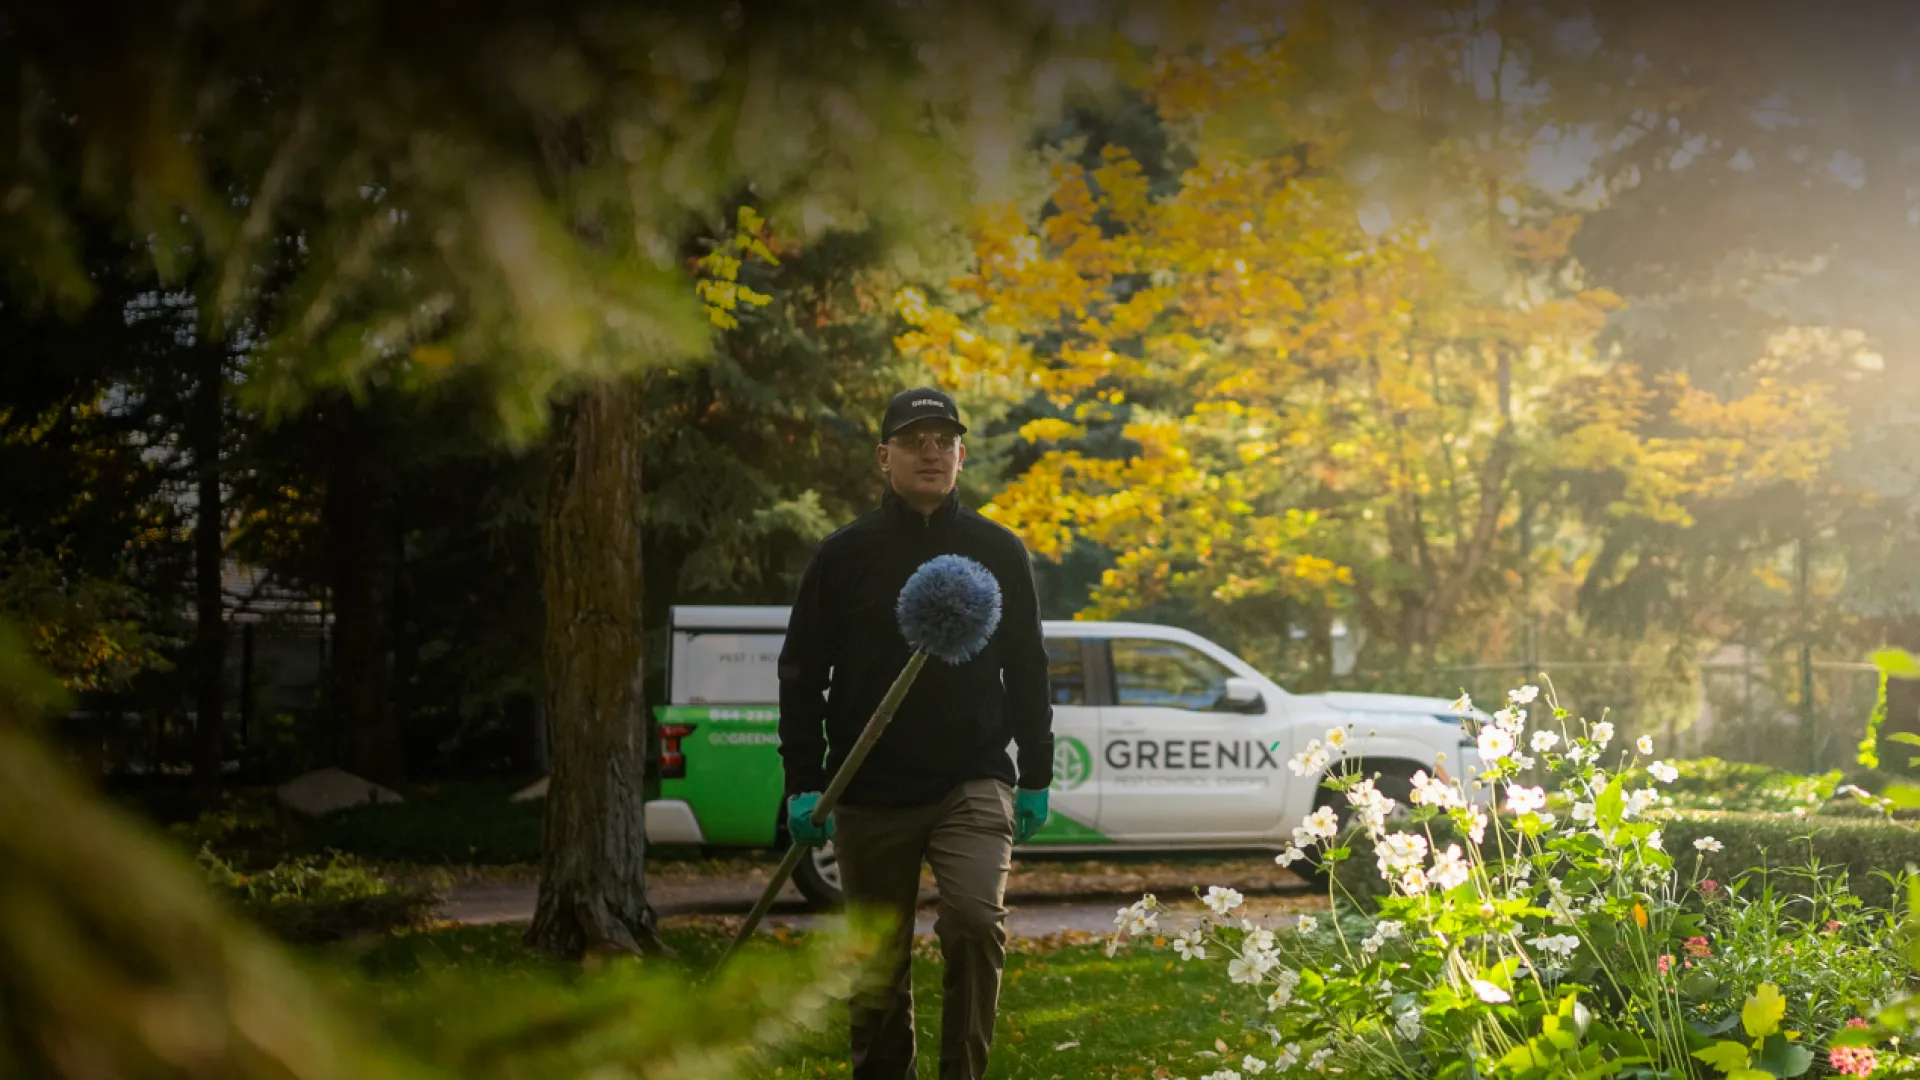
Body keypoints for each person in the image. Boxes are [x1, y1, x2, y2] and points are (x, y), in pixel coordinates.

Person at [777, 386, 1055, 1080]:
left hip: (972, 776)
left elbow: (1027, 666)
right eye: (913, 440)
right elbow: (801, 673)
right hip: (868, 788)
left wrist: (1039, 773)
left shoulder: (998, 549)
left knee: (971, 922)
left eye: (944, 440)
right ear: (884, 457)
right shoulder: (844, 556)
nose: (931, 452)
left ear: (961, 454)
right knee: (876, 957)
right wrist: (805, 784)